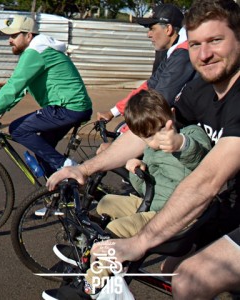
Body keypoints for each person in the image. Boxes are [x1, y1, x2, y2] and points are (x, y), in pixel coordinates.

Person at [45, 0, 240, 298]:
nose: (204, 54)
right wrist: (83, 168)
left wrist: (139, 241)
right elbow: (149, 131)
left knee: (191, 279)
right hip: (222, 209)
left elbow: (208, 180)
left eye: (216, 40)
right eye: (196, 43)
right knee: (169, 271)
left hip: (227, 207)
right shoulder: (201, 88)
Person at [49, 89, 211, 299]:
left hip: (176, 214)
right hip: (151, 201)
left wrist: (180, 143)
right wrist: (137, 171)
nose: (156, 139)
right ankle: (85, 252)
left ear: (172, 114)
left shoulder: (191, 134)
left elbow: (199, 156)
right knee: (105, 203)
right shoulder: (151, 148)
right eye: (148, 136)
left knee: (118, 227)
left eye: (161, 128)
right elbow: (147, 186)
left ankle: (91, 286)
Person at [0, 15, 92, 176]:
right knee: (43, 152)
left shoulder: (36, 51)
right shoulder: (40, 49)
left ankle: (69, 167)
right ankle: (61, 195)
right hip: (74, 107)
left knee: (18, 129)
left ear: (28, 36)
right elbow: (21, 89)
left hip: (68, 108)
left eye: (14, 36)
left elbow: (13, 86)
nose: (9, 41)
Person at [97, 3, 196, 122]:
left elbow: (160, 99)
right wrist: (113, 112)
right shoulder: (174, 50)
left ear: (168, 29)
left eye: (152, 28)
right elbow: (150, 86)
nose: (148, 34)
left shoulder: (183, 54)